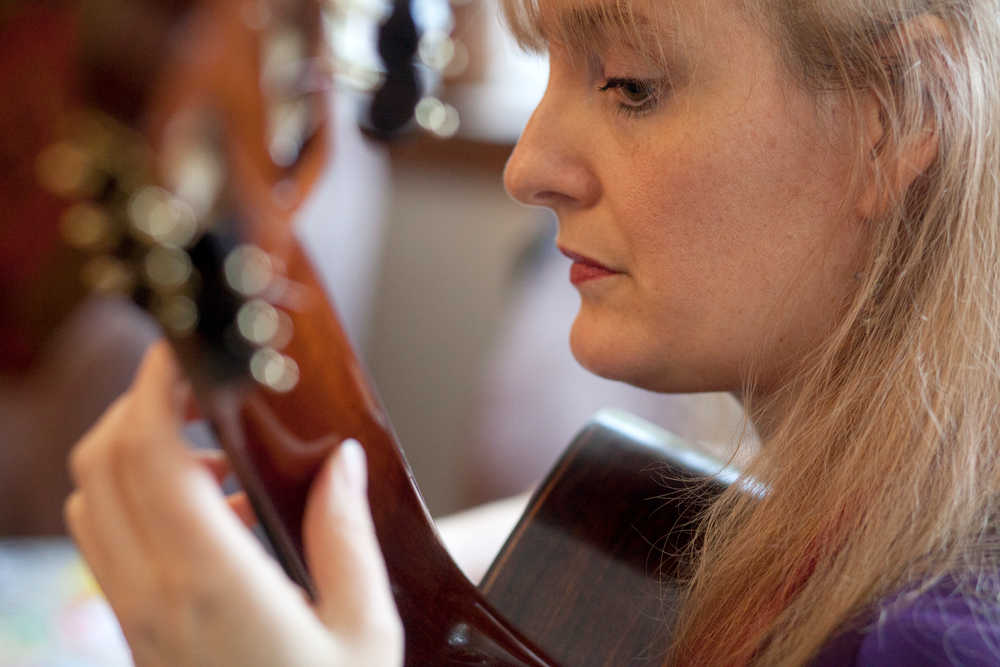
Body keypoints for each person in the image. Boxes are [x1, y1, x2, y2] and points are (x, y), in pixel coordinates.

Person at [63, 0, 1000, 665]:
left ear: (897, 115)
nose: (528, 166)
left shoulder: (928, 639)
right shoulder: (665, 539)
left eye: (630, 84)